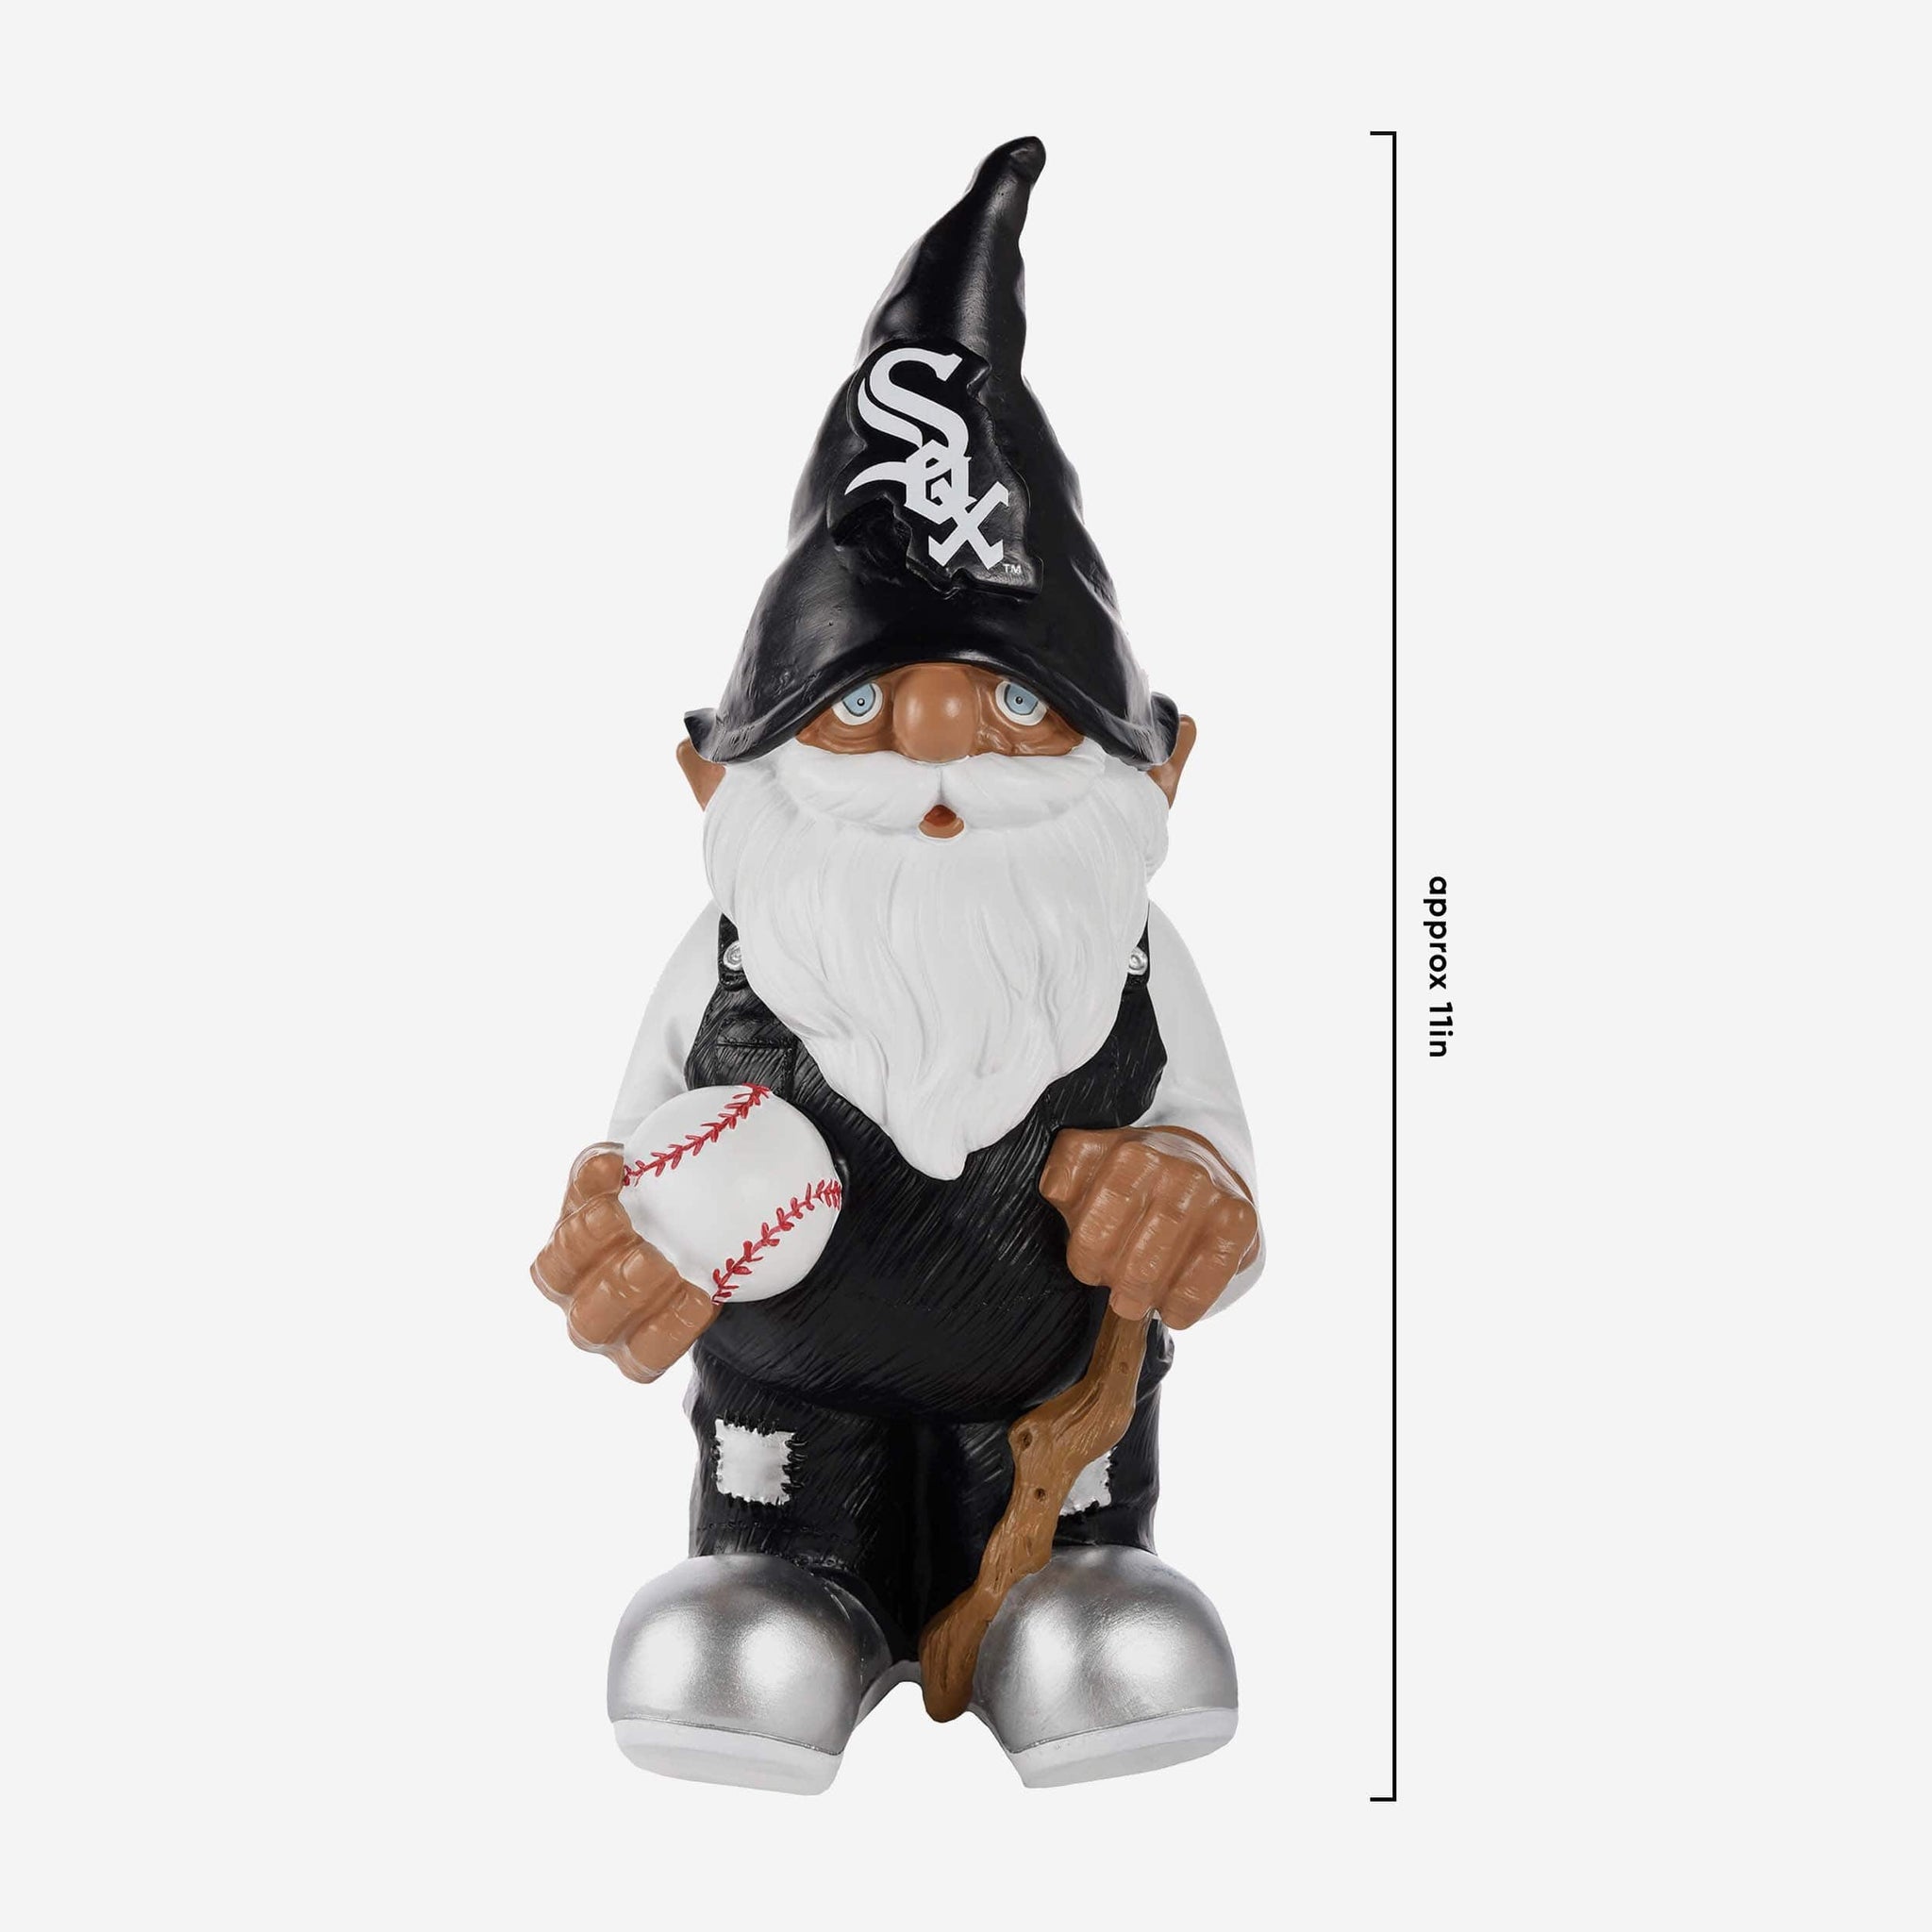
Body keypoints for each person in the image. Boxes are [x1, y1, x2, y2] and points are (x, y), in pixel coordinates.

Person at [532, 139, 1264, 1792]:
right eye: (856, 709)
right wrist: (623, 1225)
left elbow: (1215, 1151)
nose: (937, 751)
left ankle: (1072, 1610)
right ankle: (782, 1602)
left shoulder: (1129, 958)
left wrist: (1197, 1197)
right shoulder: (733, 955)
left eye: (1015, 711)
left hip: (1055, 1417)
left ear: (1159, 767)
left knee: (1096, 1594)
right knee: (763, 1582)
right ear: (715, 777)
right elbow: (637, 1149)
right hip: (790, 1416)